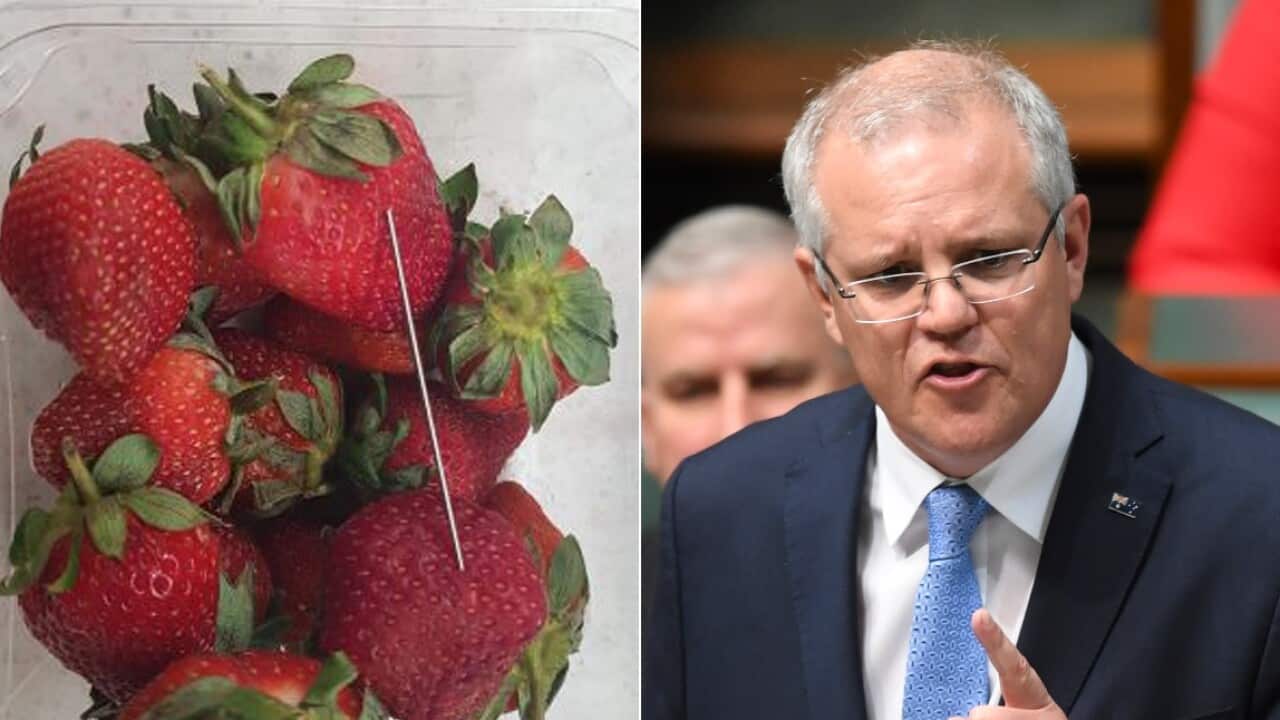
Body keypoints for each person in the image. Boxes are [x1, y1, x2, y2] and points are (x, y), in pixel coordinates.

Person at [644, 40, 1280, 720]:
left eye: (989, 259)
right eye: (891, 277)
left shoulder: (1257, 516)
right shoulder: (722, 511)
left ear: (1072, 248)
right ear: (825, 297)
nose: (945, 314)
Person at [640, 205, 858, 616]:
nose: (735, 428)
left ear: (860, 391)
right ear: (647, 429)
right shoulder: (593, 623)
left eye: (776, 380)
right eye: (693, 392)